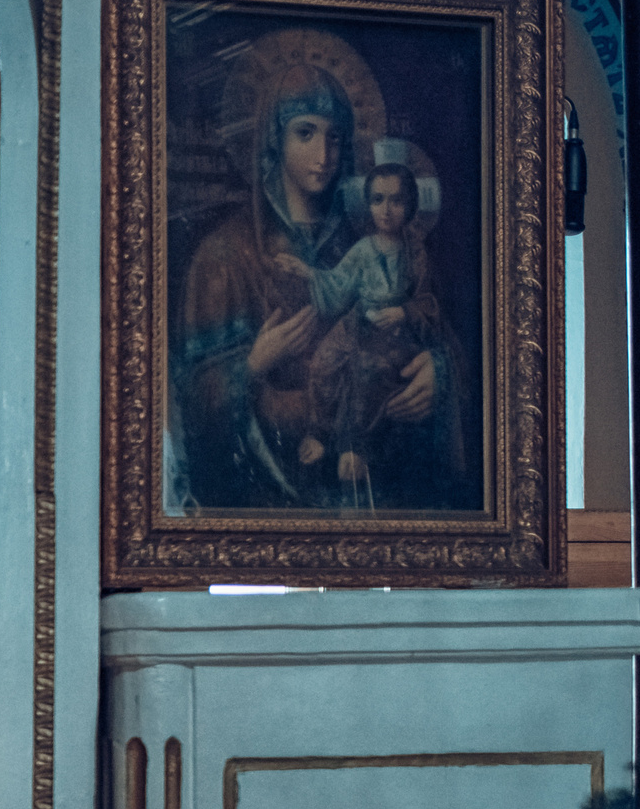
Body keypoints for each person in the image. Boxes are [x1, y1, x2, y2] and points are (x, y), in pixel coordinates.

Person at [173, 54, 440, 510]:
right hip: (265, 506)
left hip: (365, 497)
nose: (323, 156)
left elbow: (421, 325)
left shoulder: (369, 244)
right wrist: (252, 364)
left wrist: (438, 371)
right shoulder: (223, 256)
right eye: (305, 133)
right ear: (274, 138)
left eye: (335, 139)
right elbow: (188, 400)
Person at [272, 161, 462, 508]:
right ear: (367, 204)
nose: (386, 211)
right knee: (325, 361)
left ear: (411, 205)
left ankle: (357, 447)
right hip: (358, 322)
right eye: (377, 200)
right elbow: (338, 284)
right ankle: (322, 431)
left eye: (396, 200)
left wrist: (404, 311)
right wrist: (307, 272)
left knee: (370, 372)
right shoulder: (363, 249)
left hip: (398, 332)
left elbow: (430, 302)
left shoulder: (416, 253)